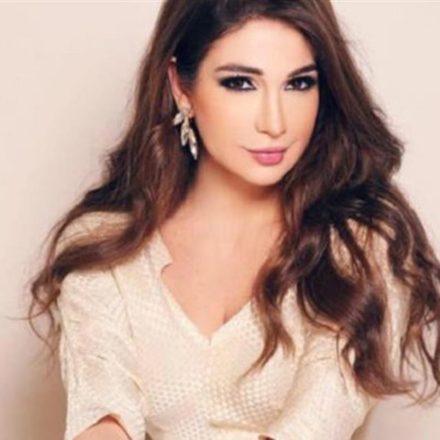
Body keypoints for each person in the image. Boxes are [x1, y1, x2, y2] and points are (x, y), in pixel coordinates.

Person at [27, 1, 440, 439]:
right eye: (241, 83)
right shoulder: (106, 246)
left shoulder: (360, 246)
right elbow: (101, 416)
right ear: (180, 87)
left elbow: (317, 422)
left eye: (299, 83)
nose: (275, 122)